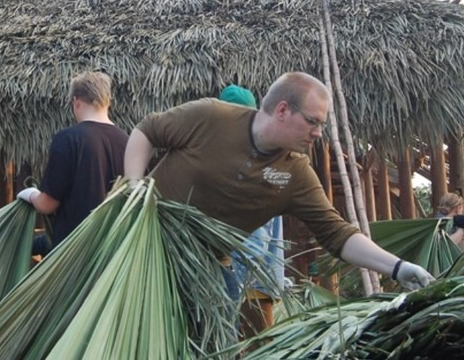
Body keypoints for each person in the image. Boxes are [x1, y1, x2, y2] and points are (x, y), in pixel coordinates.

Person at [124, 72, 434, 319]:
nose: (317, 133)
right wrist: (134, 186)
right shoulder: (211, 116)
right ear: (283, 110)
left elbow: (336, 233)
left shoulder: (296, 174)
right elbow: (148, 130)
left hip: (203, 272)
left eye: (321, 125)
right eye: (313, 121)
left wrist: (398, 267)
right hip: (140, 245)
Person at [17, 71, 129, 255]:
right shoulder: (127, 142)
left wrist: (29, 195)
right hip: (112, 254)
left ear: (76, 102)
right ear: (107, 102)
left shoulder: (68, 139)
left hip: (73, 256)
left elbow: (47, 204)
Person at [218, 85, 286, 334]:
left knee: (246, 340)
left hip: (248, 267)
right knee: (258, 340)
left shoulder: (256, 157)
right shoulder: (267, 155)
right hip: (258, 268)